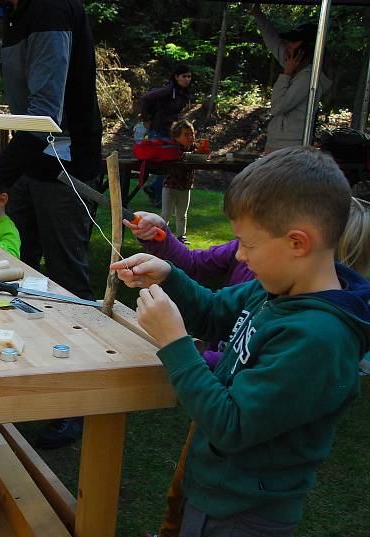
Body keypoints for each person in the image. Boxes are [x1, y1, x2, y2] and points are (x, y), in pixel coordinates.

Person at [112, 146, 370, 537]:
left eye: (247, 244)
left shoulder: (319, 339)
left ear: (298, 243)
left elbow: (232, 424)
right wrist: (169, 275)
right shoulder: (276, 290)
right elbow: (215, 312)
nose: (242, 257)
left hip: (246, 512)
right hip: (215, 489)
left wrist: (175, 343)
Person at [0, 0, 102, 450]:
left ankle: (77, 400)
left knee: (67, 281)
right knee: (12, 270)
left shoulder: (49, 9)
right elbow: (27, 122)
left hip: (65, 167)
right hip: (32, 163)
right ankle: (18, 379)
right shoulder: (13, 14)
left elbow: (44, 118)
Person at [251, 6, 332, 153]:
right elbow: (273, 42)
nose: (288, 46)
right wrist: (256, 12)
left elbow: (278, 107)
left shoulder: (308, 77)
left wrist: (286, 74)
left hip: (290, 147)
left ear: (307, 47)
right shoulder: (294, 64)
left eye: (293, 42)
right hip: (278, 144)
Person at [138, 64, 194, 206]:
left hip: (170, 131)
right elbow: (145, 99)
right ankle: (155, 193)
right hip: (158, 130)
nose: (187, 79)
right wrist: (146, 119)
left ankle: (154, 191)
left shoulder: (183, 92)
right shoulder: (168, 91)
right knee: (165, 164)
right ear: (176, 77)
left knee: (169, 164)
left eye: (189, 76)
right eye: (184, 76)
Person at [162, 119, 198, 244]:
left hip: (185, 187)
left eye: (191, 134)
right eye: (186, 134)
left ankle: (181, 236)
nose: (190, 137)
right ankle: (161, 235)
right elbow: (180, 156)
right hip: (170, 186)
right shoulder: (173, 147)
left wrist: (202, 154)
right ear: (177, 137)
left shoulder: (195, 148)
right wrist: (192, 155)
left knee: (182, 214)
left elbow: (201, 157)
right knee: (166, 213)